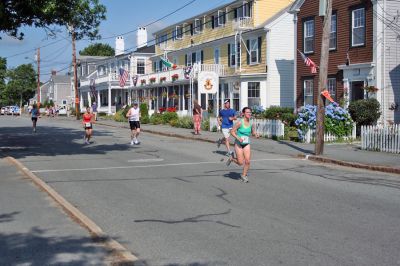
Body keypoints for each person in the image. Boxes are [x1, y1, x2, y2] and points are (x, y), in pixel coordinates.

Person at [226, 107, 259, 183]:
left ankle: (243, 175)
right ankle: (232, 159)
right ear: (243, 113)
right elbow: (232, 132)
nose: (249, 114)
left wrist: (256, 134)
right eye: (247, 112)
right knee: (240, 163)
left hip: (247, 143)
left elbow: (253, 132)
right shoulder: (240, 122)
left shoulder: (251, 122)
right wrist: (238, 137)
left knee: (247, 161)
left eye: (250, 112)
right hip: (238, 143)